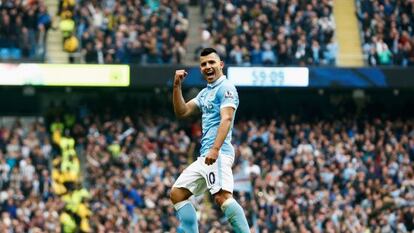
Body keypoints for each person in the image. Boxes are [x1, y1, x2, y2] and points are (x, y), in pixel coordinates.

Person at [170, 47, 250, 233]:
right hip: (205, 156)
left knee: (222, 197)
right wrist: (176, 86)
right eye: (204, 64)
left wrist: (215, 149)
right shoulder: (205, 93)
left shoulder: (226, 88)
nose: (207, 66)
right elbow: (182, 112)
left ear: (221, 65)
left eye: (212, 62)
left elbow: (227, 119)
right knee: (177, 193)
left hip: (218, 153)